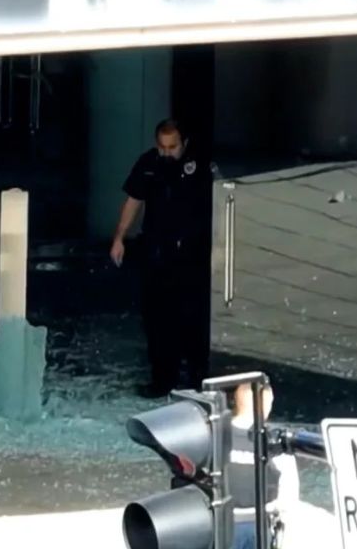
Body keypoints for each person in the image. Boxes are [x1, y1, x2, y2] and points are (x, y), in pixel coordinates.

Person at [110, 118, 212, 398]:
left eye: (173, 147)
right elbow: (134, 199)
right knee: (157, 319)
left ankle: (196, 379)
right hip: (157, 250)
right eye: (162, 147)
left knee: (192, 318)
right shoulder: (149, 164)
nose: (167, 153)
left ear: (184, 143)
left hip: (191, 253)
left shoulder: (199, 166)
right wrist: (119, 236)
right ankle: (161, 379)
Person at [228, 384, 299, 549]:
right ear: (266, 405)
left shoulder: (215, 437)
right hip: (259, 527)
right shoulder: (276, 442)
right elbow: (289, 497)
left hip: (220, 524)